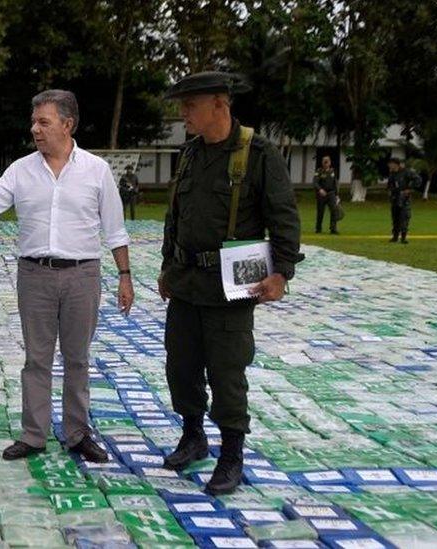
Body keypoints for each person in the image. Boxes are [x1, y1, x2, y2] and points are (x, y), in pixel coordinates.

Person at [0, 89, 134, 464]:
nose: (35, 129)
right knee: (37, 360)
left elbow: (115, 229)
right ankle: (34, 435)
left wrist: (125, 275)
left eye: (44, 122)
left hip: (82, 275)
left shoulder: (96, 170)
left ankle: (77, 433)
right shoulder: (21, 170)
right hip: (35, 276)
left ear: (67, 125)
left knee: (77, 359)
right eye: (34, 122)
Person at [157, 72, 302, 495]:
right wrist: (168, 267)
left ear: (219, 104)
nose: (183, 112)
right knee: (180, 367)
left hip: (231, 286)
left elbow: (284, 217)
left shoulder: (258, 154)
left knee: (227, 373)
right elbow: (176, 217)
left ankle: (231, 454)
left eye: (191, 105)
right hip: (185, 282)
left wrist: (282, 272)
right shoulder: (189, 154)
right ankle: (193, 436)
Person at [386, 158, 421, 244]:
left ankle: (403, 238)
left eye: (391, 164)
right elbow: (390, 184)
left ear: (396, 164)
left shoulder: (406, 172)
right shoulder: (392, 173)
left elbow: (418, 180)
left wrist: (409, 189)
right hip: (395, 198)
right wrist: (389, 191)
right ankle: (395, 237)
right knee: (395, 218)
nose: (390, 166)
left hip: (404, 198)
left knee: (404, 218)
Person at [314, 156, 339, 234]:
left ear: (330, 163)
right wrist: (320, 189)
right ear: (322, 163)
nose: (326, 164)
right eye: (324, 162)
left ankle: (333, 228)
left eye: (327, 162)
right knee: (320, 212)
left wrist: (337, 194)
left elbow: (335, 183)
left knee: (334, 211)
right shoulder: (319, 171)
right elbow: (315, 182)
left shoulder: (332, 172)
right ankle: (318, 228)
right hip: (322, 194)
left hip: (331, 193)